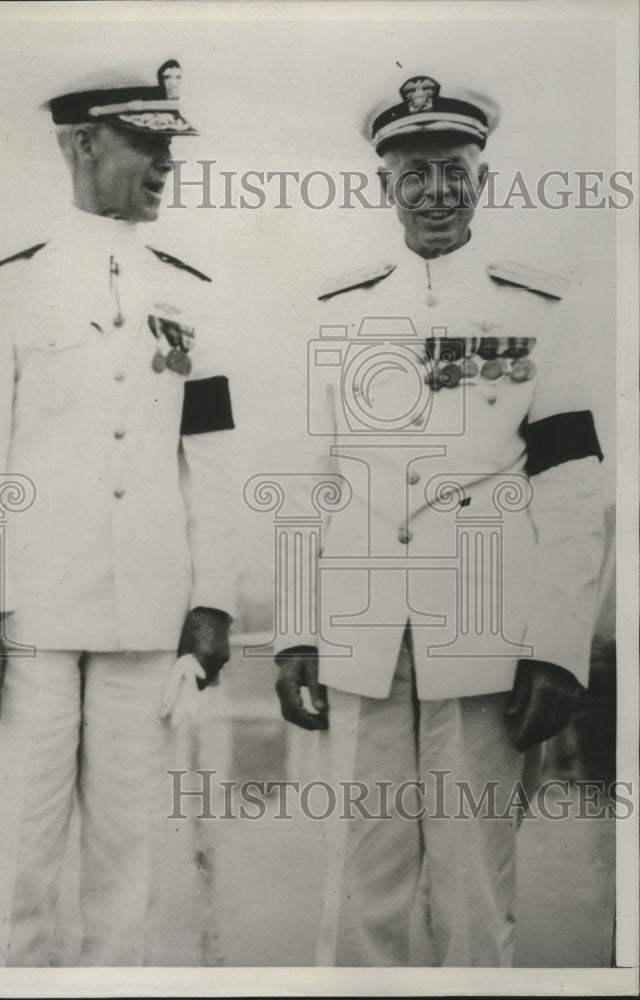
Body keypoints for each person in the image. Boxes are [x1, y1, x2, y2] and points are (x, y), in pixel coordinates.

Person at [274, 72, 605, 966]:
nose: (435, 193)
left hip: (488, 641)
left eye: (453, 169)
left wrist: (558, 646)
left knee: (473, 896)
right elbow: (318, 480)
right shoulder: (337, 311)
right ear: (384, 184)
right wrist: (297, 631)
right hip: (363, 641)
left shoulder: (538, 309)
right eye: (413, 174)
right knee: (357, 903)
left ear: (483, 177)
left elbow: (572, 485)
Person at [0, 61, 237, 966]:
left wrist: (211, 601)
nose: (166, 162)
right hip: (30, 624)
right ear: (81, 142)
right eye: (149, 141)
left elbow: (208, 452)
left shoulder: (190, 291)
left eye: (172, 144)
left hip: (145, 618)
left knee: (129, 866)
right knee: (19, 856)